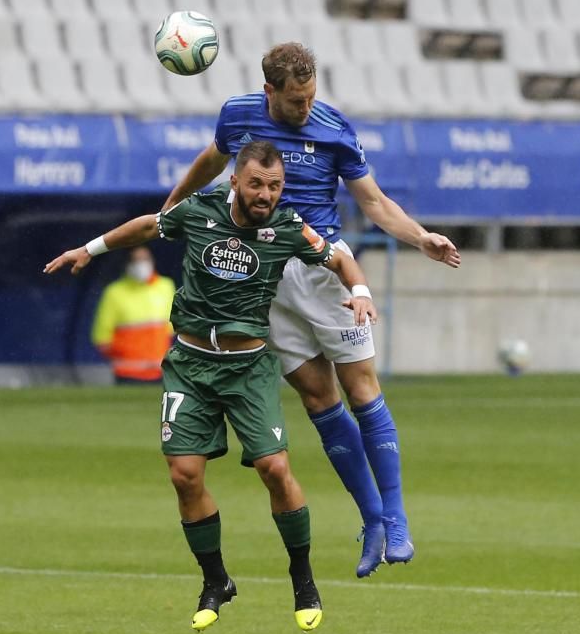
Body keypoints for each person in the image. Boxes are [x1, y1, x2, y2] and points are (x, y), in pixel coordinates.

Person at [45, 141, 377, 633]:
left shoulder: (286, 227)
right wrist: (88, 250)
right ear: (236, 182)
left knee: (274, 466)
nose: (266, 194)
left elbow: (340, 261)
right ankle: (216, 580)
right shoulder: (198, 211)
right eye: (258, 184)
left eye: (275, 186)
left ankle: (303, 580)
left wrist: (361, 293)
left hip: (248, 368)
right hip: (190, 365)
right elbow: (146, 225)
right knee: (184, 475)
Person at [161, 42, 461, 578]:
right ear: (269, 91)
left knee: (362, 387)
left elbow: (372, 201)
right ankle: (371, 518)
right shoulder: (238, 115)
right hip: (265, 280)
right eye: (295, 101)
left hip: (324, 269)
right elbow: (212, 160)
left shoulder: (333, 127)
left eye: (310, 97)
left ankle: (395, 517)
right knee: (318, 398)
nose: (305, 109)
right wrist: (171, 205)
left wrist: (420, 238)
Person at [91, 246, 176, 384]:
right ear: (127, 264)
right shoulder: (114, 292)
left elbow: (171, 329)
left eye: (145, 259)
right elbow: (102, 338)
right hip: (128, 373)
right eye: (135, 260)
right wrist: (124, 358)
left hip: (161, 371)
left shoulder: (165, 286)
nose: (141, 264)